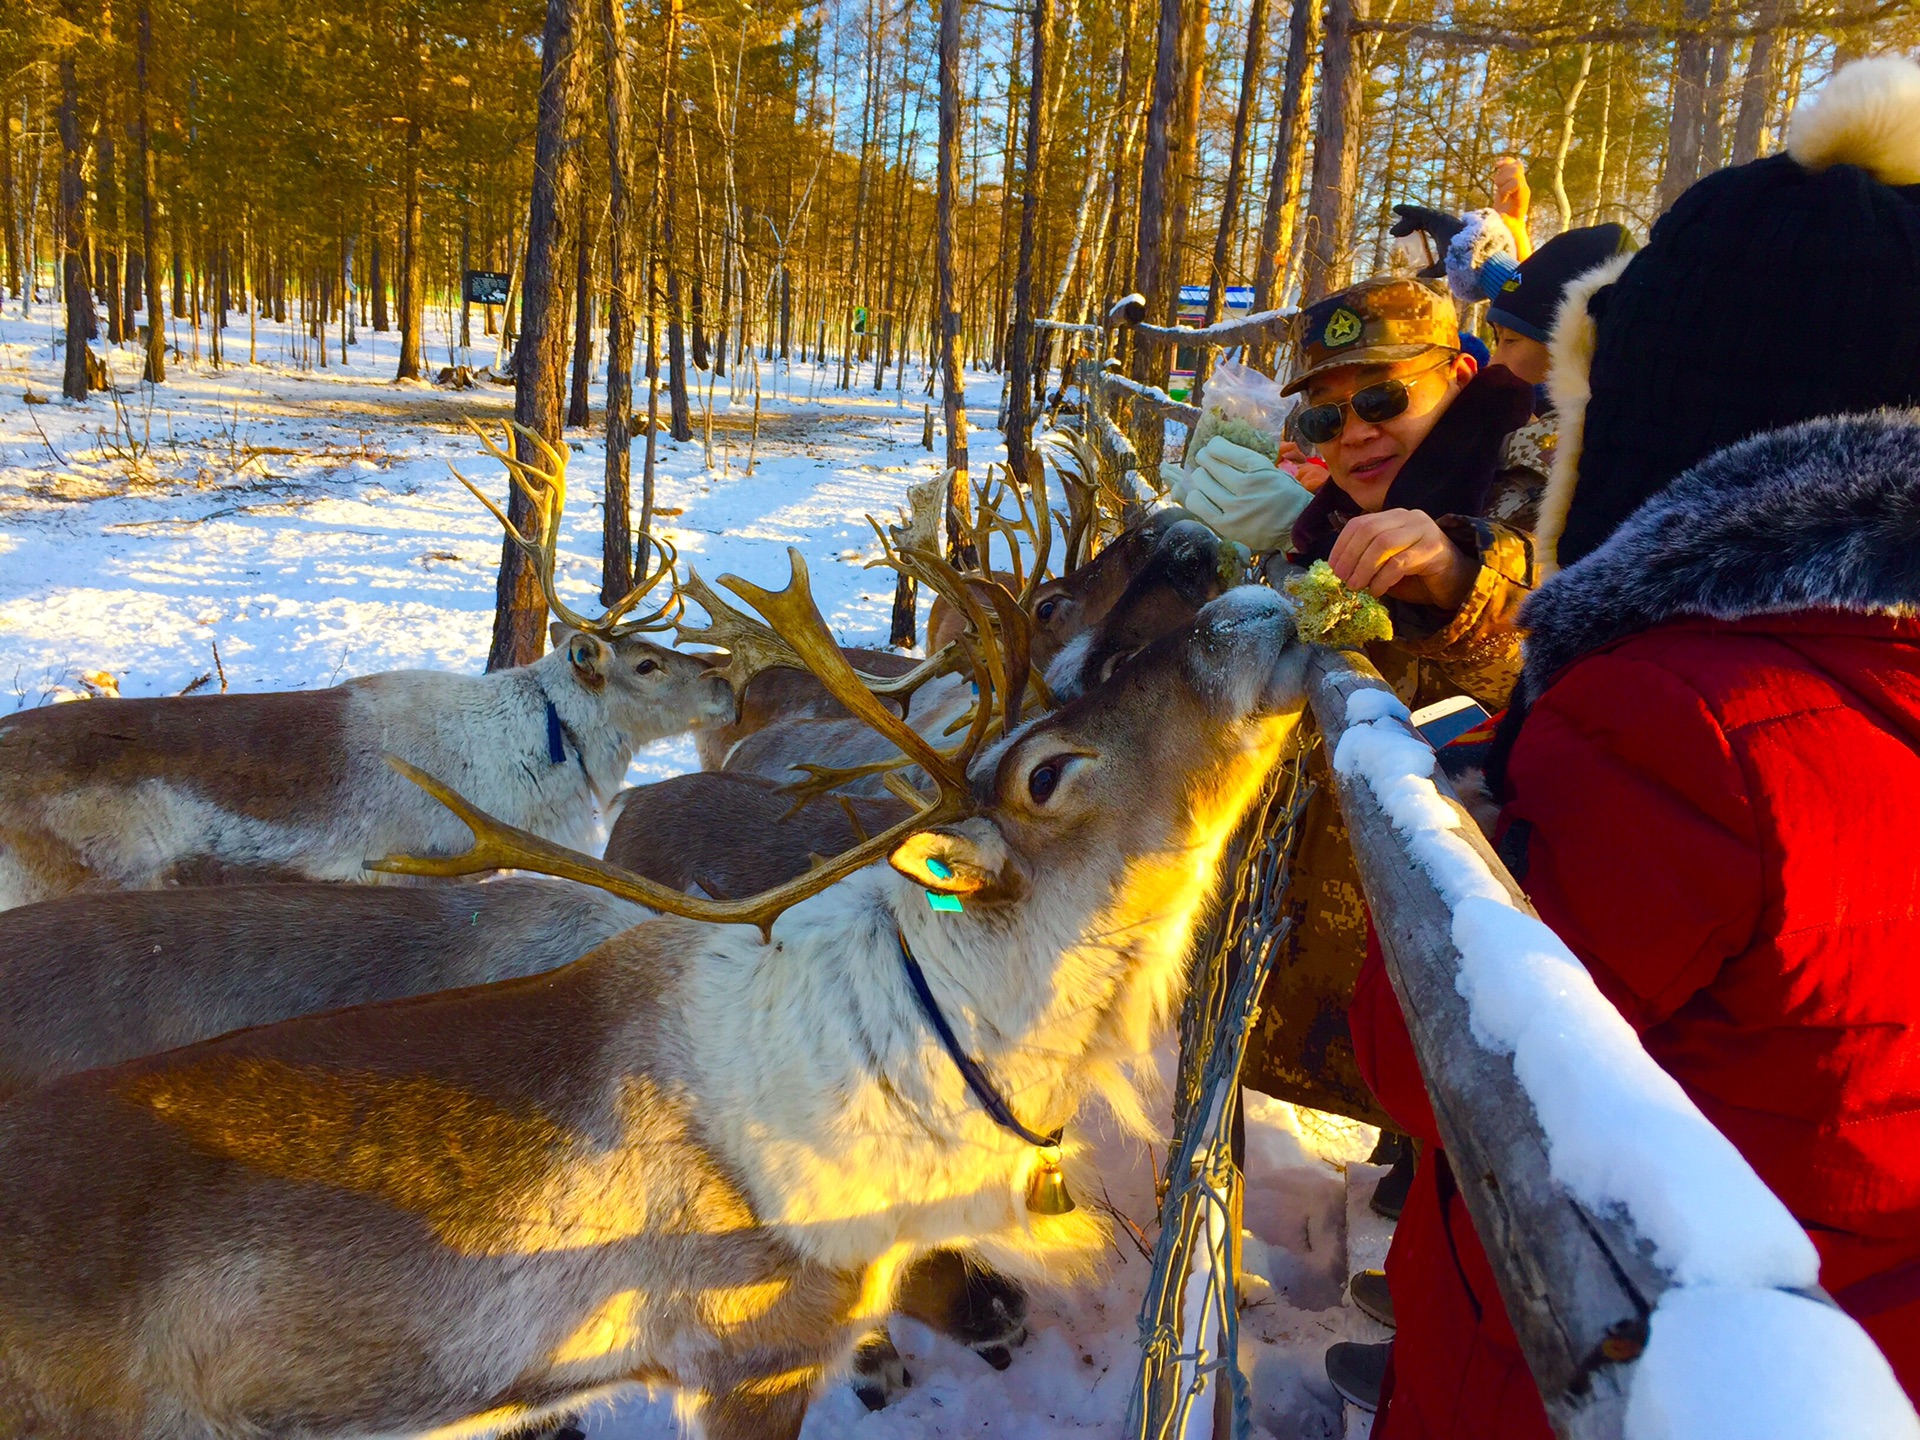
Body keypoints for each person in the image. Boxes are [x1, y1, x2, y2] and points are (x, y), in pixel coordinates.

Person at [1348, 54, 1920, 1437]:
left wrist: (1477, 825)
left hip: (1582, 1371)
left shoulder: (1671, 723)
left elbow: (1423, 1044)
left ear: (1663, 421)